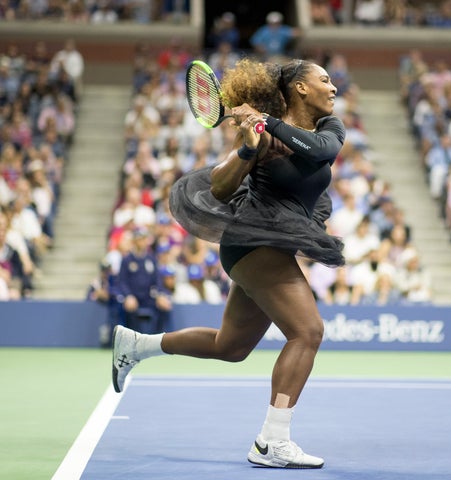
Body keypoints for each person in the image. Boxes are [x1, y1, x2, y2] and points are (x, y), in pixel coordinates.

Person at [112, 57, 345, 469]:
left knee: (231, 346)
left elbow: (320, 152)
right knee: (307, 331)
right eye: (324, 80)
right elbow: (219, 189)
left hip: (272, 245)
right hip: (250, 243)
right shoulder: (259, 136)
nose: (334, 88)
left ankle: (138, 345)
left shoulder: (328, 129)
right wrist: (246, 146)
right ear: (301, 89)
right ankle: (272, 441)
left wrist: (265, 123)